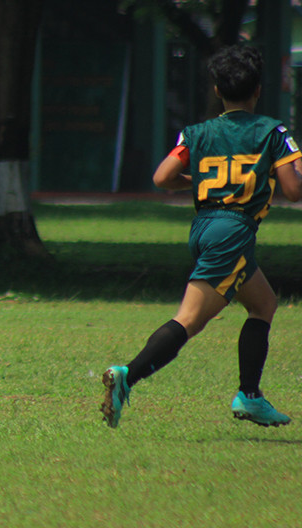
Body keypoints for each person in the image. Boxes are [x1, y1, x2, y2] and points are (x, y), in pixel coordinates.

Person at [101, 44, 302, 429]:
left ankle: (251, 395)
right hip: (234, 232)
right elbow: (293, 191)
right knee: (190, 320)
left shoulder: (198, 132)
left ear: (216, 91)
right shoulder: (272, 132)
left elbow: (162, 178)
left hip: (205, 226)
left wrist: (203, 182)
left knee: (264, 304)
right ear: (258, 89)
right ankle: (128, 374)